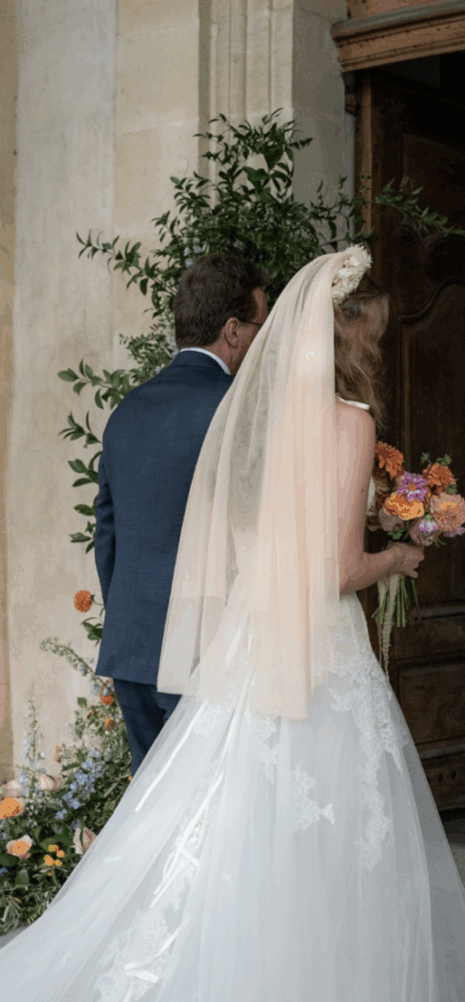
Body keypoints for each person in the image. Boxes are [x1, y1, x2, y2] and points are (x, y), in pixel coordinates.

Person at [0, 247, 465, 1002]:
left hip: (189, 646)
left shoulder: (211, 413)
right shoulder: (335, 421)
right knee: (292, 846)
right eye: (371, 332)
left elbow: (118, 535)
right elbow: (329, 567)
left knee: (189, 836)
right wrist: (400, 550)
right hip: (291, 651)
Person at [94, 253, 269, 773]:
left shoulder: (127, 409)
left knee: (151, 815)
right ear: (233, 330)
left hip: (132, 648)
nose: (263, 338)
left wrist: (136, 619)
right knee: (210, 820)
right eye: (261, 324)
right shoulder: (239, 412)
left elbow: (109, 539)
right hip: (206, 653)